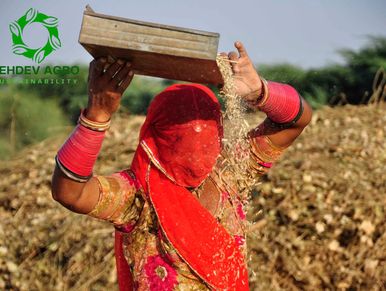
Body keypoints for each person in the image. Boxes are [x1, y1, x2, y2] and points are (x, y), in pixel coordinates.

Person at [51, 41, 312, 290]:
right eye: (180, 138)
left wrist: (259, 91)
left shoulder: (230, 174)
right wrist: (97, 116)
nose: (196, 147)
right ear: (155, 139)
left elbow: (296, 120)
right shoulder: (138, 195)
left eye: (206, 135)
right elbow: (70, 192)